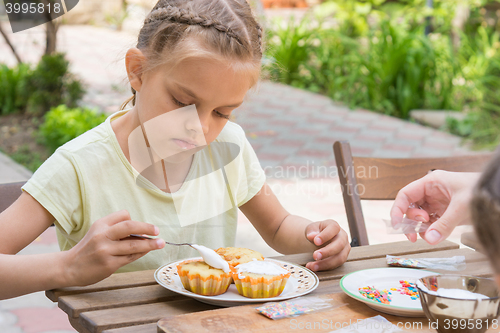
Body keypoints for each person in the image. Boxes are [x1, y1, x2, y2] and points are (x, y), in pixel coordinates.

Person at [0, 0, 350, 301]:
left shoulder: (229, 147)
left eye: (222, 113)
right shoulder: (79, 166)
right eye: (183, 102)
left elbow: (278, 227)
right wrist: (68, 266)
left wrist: (316, 237)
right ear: (137, 71)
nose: (200, 127)